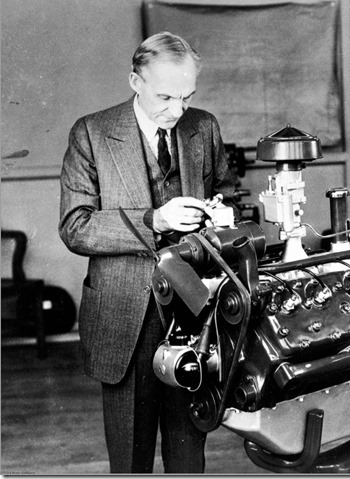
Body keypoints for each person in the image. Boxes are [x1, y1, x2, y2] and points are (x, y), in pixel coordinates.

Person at [59, 32, 237, 473]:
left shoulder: (204, 126)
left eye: (187, 96)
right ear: (134, 81)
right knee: (131, 460)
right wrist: (154, 219)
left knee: (187, 454)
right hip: (125, 317)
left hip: (195, 313)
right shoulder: (92, 133)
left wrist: (220, 213)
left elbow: (228, 194)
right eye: (165, 97)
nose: (178, 111)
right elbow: (75, 226)